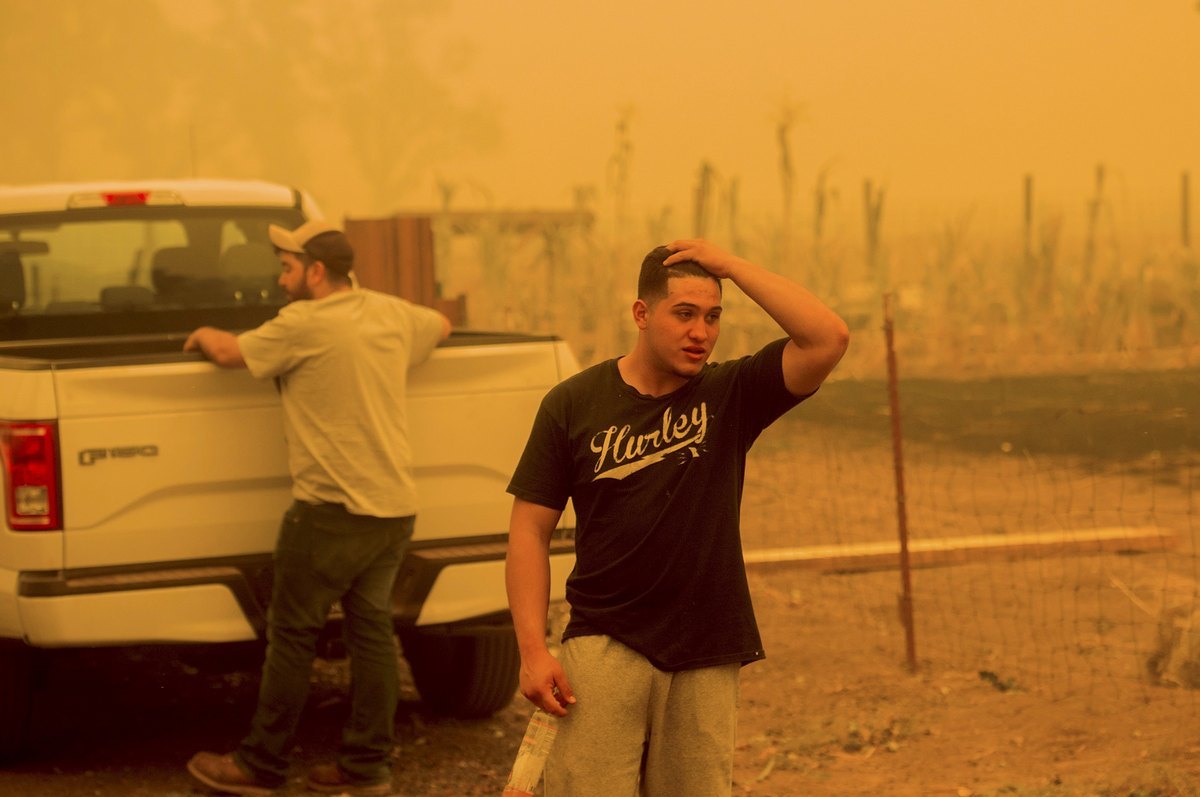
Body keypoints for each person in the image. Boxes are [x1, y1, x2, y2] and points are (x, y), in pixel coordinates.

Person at [504, 239, 850, 796]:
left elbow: (827, 337)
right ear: (641, 314)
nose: (701, 332)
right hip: (603, 643)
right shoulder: (573, 403)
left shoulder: (731, 393)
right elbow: (529, 528)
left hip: (706, 647)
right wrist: (531, 651)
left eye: (713, 317)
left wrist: (733, 267)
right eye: (684, 314)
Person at [183, 220, 451, 797]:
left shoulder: (302, 323)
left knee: (293, 636)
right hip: (392, 509)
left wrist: (203, 332)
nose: (280, 280)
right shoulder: (390, 312)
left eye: (286, 267)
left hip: (330, 511)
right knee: (372, 632)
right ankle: (365, 770)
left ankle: (259, 764)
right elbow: (443, 324)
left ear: (316, 271)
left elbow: (230, 352)